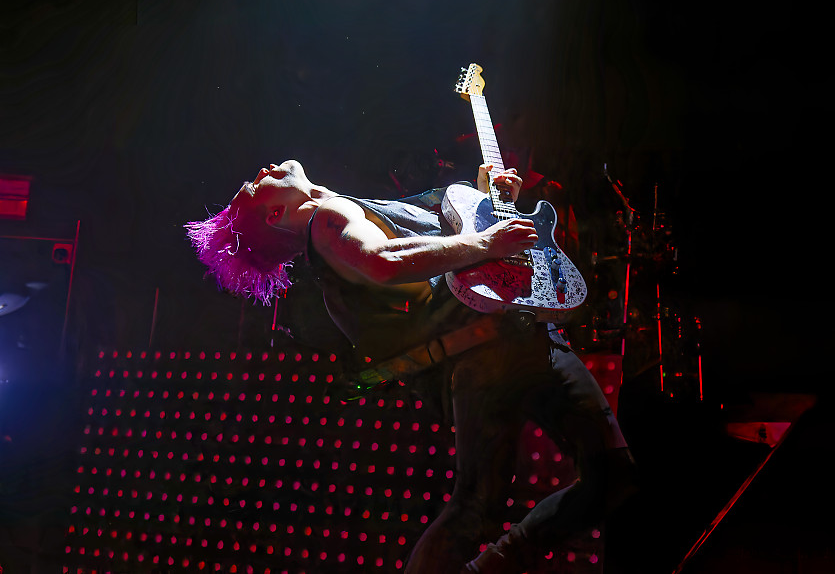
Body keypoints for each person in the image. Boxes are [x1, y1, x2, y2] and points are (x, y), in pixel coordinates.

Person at [186, 159, 637, 573]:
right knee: (486, 505)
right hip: (489, 351)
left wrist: (488, 205)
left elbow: (441, 240)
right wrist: (486, 240)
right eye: (256, 184)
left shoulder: (346, 209)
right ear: (273, 216)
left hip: (520, 330)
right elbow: (383, 261)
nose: (263, 170)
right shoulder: (327, 221)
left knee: (587, 481)